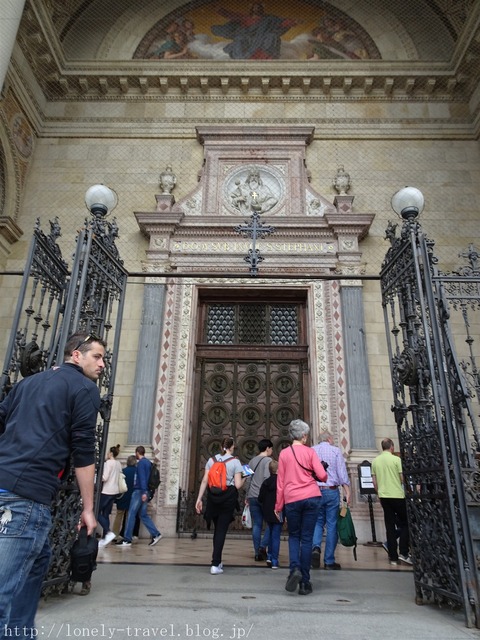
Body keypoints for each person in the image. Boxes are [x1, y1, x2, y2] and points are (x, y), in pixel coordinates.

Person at [0, 331, 106, 638]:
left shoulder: (27, 383)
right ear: (76, 355)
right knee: (5, 590)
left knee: (38, 561)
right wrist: (88, 508)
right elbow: (84, 452)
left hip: (7, 483)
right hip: (26, 496)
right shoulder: (84, 388)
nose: (102, 365)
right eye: (97, 356)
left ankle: (20, 632)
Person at [275, 419, 327, 595]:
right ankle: (305, 582)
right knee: (307, 539)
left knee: (294, 537)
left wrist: (278, 505)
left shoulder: (284, 454)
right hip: (312, 497)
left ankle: (294, 569)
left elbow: (280, 483)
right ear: (304, 436)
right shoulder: (310, 452)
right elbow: (323, 476)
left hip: (292, 499)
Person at [195, 436, 245, 574]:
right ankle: (215, 563)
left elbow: (205, 481)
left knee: (217, 529)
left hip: (213, 497)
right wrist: (246, 477)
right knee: (221, 530)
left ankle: (217, 560)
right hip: (227, 498)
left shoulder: (212, 460)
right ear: (232, 446)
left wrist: (199, 498)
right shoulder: (235, 462)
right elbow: (238, 485)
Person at [311, 430, 351, 570]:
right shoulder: (335, 451)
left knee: (317, 522)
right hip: (331, 490)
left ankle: (315, 547)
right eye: (332, 438)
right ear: (328, 439)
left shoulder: (312, 450)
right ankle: (329, 561)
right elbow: (341, 472)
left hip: (315, 491)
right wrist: (347, 490)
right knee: (332, 524)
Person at [371, 438, 412, 566]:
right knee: (406, 523)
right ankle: (404, 552)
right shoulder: (396, 459)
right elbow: (401, 478)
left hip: (384, 496)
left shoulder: (375, 461)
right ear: (392, 447)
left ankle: (393, 556)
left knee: (389, 526)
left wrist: (379, 492)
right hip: (398, 495)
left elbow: (374, 481)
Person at [212, 3, 297, 60]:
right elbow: (231, 15)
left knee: (272, 36)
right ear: (252, 9)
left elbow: (281, 23)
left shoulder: (269, 19)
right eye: (255, 8)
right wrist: (220, 10)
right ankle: (243, 59)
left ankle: (265, 57)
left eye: (259, 8)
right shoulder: (245, 17)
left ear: (262, 9)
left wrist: (292, 22)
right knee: (240, 40)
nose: (257, 9)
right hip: (247, 38)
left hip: (262, 38)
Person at [121, 446, 162, 547]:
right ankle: (156, 534)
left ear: (137, 453)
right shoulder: (148, 463)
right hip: (145, 491)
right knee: (143, 514)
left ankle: (127, 539)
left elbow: (142, 478)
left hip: (140, 491)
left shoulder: (141, 463)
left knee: (131, 514)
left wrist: (143, 492)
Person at [245, 438, 273, 562]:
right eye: (271, 448)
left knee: (257, 524)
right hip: (264, 497)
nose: (271, 451)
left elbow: (247, 480)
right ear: (267, 448)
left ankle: (257, 553)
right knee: (271, 523)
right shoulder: (269, 461)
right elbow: (267, 478)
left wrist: (247, 496)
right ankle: (263, 546)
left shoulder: (251, 461)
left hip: (252, 496)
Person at [258, 459, 282, 569]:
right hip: (279, 510)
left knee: (271, 531)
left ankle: (269, 556)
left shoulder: (266, 482)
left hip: (267, 511)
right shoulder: (281, 482)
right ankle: (274, 560)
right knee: (276, 535)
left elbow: (260, 498)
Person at [98, 444, 122, 548]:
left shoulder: (108, 463)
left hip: (107, 491)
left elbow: (105, 477)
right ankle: (105, 537)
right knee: (106, 513)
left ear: (111, 453)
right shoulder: (118, 463)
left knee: (97, 512)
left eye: (108, 452)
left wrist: (99, 475)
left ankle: (108, 532)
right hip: (115, 491)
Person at [112, 454, 137, 542]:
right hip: (133, 496)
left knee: (119, 515)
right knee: (129, 517)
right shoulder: (136, 472)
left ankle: (115, 534)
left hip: (122, 495)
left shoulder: (123, 471)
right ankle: (127, 534)